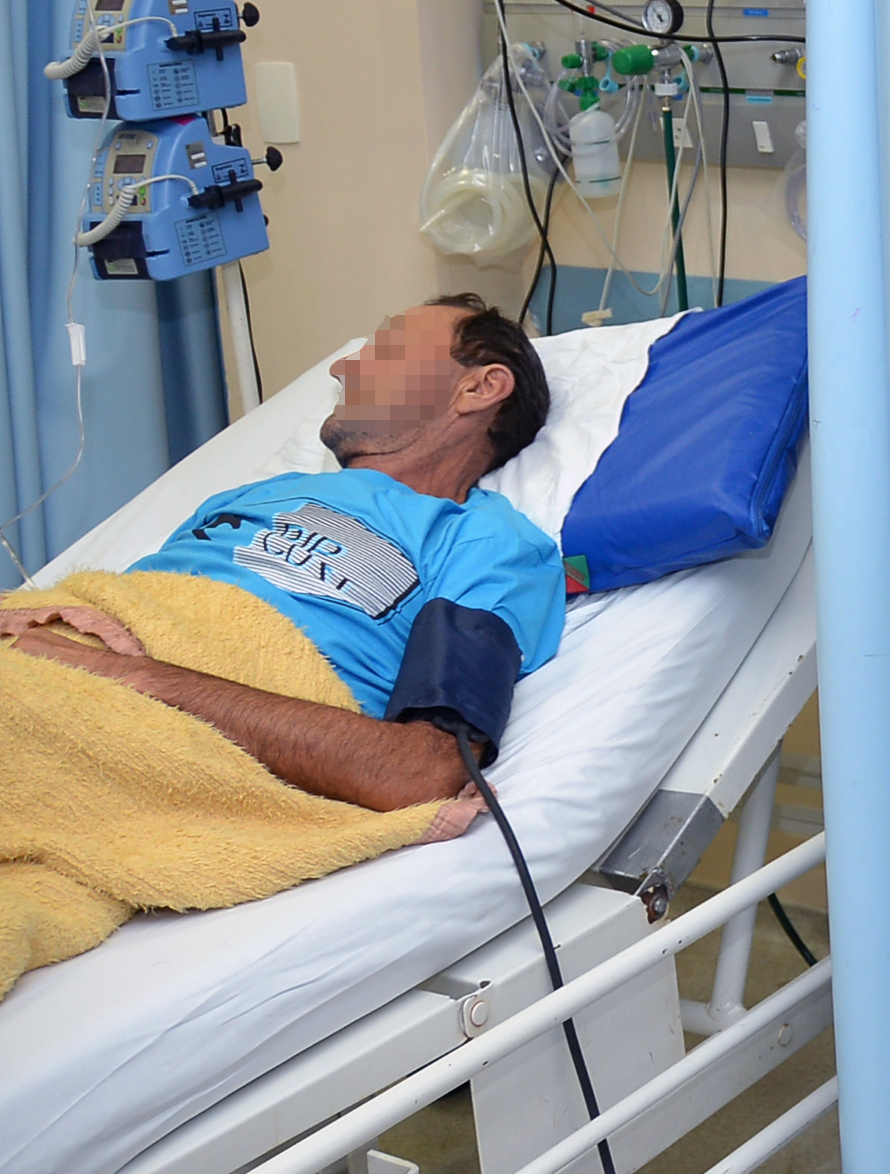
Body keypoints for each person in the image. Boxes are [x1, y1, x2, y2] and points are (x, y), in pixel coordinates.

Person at [4, 294, 564, 811]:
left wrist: (134, 678)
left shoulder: (488, 545)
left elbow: (421, 770)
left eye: (388, 349)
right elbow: (126, 615)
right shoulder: (255, 495)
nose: (342, 368)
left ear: (480, 388)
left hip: (128, 719)